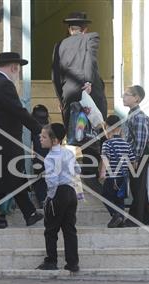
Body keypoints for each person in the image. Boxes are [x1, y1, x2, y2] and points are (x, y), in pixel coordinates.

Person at [0, 52, 43, 229]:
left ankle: (29, 214)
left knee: (14, 175)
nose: (18, 74)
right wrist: (40, 130)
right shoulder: (4, 85)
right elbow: (18, 111)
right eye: (19, 69)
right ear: (14, 67)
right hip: (5, 141)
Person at [51, 11, 108, 193]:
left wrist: (61, 99)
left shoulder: (59, 45)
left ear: (70, 29)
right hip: (88, 93)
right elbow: (90, 61)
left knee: (77, 136)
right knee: (95, 135)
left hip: (68, 94)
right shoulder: (91, 37)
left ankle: (81, 177)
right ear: (85, 29)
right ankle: (94, 180)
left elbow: (55, 75)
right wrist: (89, 82)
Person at [36, 123, 81, 273]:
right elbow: (77, 169)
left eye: (44, 137)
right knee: (69, 230)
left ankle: (51, 261)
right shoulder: (68, 152)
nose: (40, 139)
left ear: (54, 140)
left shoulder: (50, 157)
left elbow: (52, 180)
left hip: (58, 193)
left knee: (50, 230)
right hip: (71, 191)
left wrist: (49, 199)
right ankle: (72, 263)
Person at [122, 85, 149, 226]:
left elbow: (141, 140)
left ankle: (135, 219)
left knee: (138, 187)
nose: (123, 97)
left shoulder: (139, 117)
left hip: (139, 157)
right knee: (139, 186)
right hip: (135, 156)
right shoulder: (132, 115)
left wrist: (135, 158)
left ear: (136, 98)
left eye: (127, 94)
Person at [99, 115, 136, 228]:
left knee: (105, 196)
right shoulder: (126, 144)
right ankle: (122, 220)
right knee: (120, 199)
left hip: (111, 177)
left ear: (108, 128)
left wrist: (102, 173)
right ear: (120, 128)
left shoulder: (107, 144)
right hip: (123, 178)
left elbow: (105, 159)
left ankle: (116, 215)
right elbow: (133, 162)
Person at [31, 104, 50, 206]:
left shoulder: (34, 129)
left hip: (38, 158)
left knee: (39, 179)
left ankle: (42, 199)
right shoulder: (49, 129)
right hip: (50, 158)